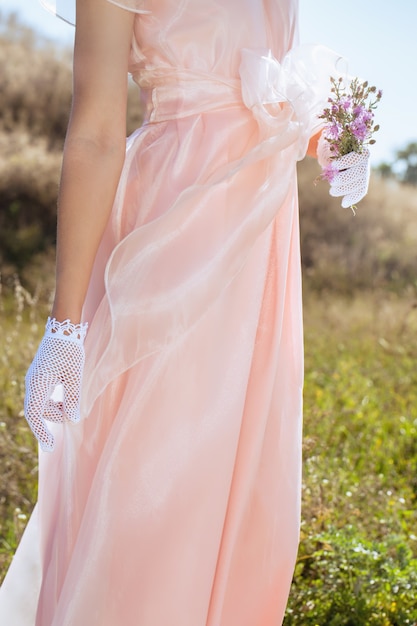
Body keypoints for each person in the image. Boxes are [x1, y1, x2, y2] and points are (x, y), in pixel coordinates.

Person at [0, 0, 369, 624]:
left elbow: (262, 85)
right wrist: (63, 327)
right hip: (173, 232)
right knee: (152, 484)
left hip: (262, 244)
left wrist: (332, 137)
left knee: (243, 496)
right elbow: (93, 132)